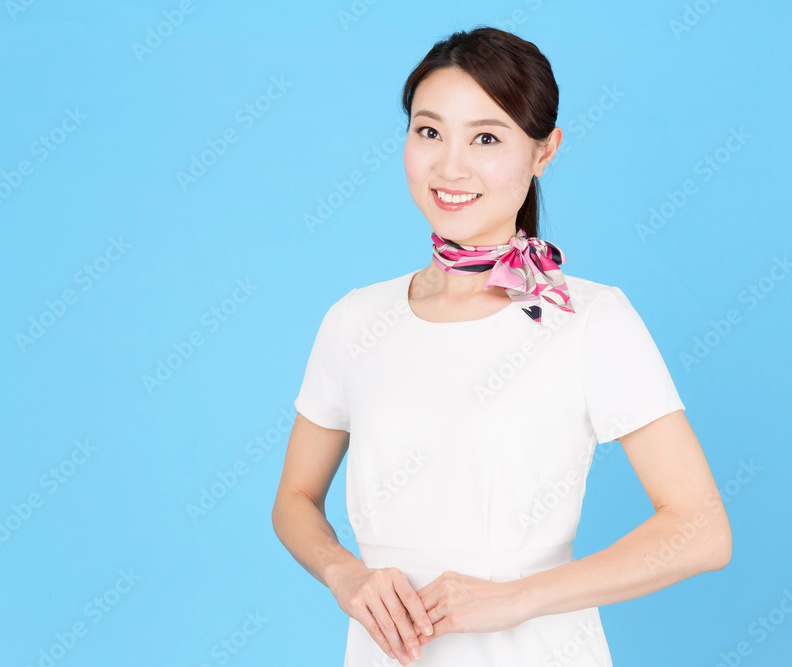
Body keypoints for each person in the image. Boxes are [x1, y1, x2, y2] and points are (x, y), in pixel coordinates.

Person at [271, 26, 732, 666]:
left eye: (487, 137)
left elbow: (701, 530)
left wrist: (516, 598)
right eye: (429, 132)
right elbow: (294, 500)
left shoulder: (590, 318)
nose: (450, 165)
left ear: (544, 152)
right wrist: (345, 576)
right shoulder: (355, 320)